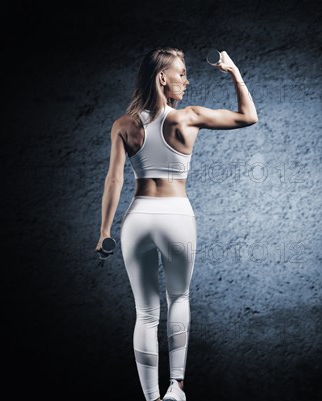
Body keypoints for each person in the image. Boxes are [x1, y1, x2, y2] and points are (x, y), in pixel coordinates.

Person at [95, 47, 258, 401]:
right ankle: (177, 386)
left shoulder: (123, 125)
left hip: (138, 219)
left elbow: (114, 180)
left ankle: (151, 398)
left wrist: (104, 231)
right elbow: (249, 117)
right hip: (177, 216)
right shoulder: (188, 117)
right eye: (181, 73)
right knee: (179, 297)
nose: (186, 79)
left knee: (145, 313)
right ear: (161, 78)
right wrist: (233, 72)